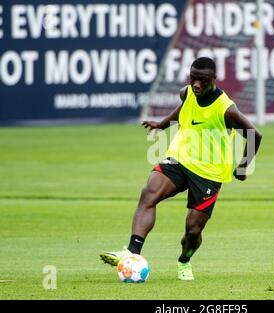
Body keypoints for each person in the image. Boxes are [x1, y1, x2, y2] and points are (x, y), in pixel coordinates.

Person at [100, 57, 262, 280]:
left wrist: (243, 166)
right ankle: (132, 253)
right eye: (193, 78)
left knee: (192, 232)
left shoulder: (226, 109)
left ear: (214, 79)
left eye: (202, 80)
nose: (196, 84)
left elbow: (255, 134)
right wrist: (162, 124)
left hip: (209, 173)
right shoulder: (187, 93)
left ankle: (184, 260)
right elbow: (183, 108)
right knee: (149, 193)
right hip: (180, 158)